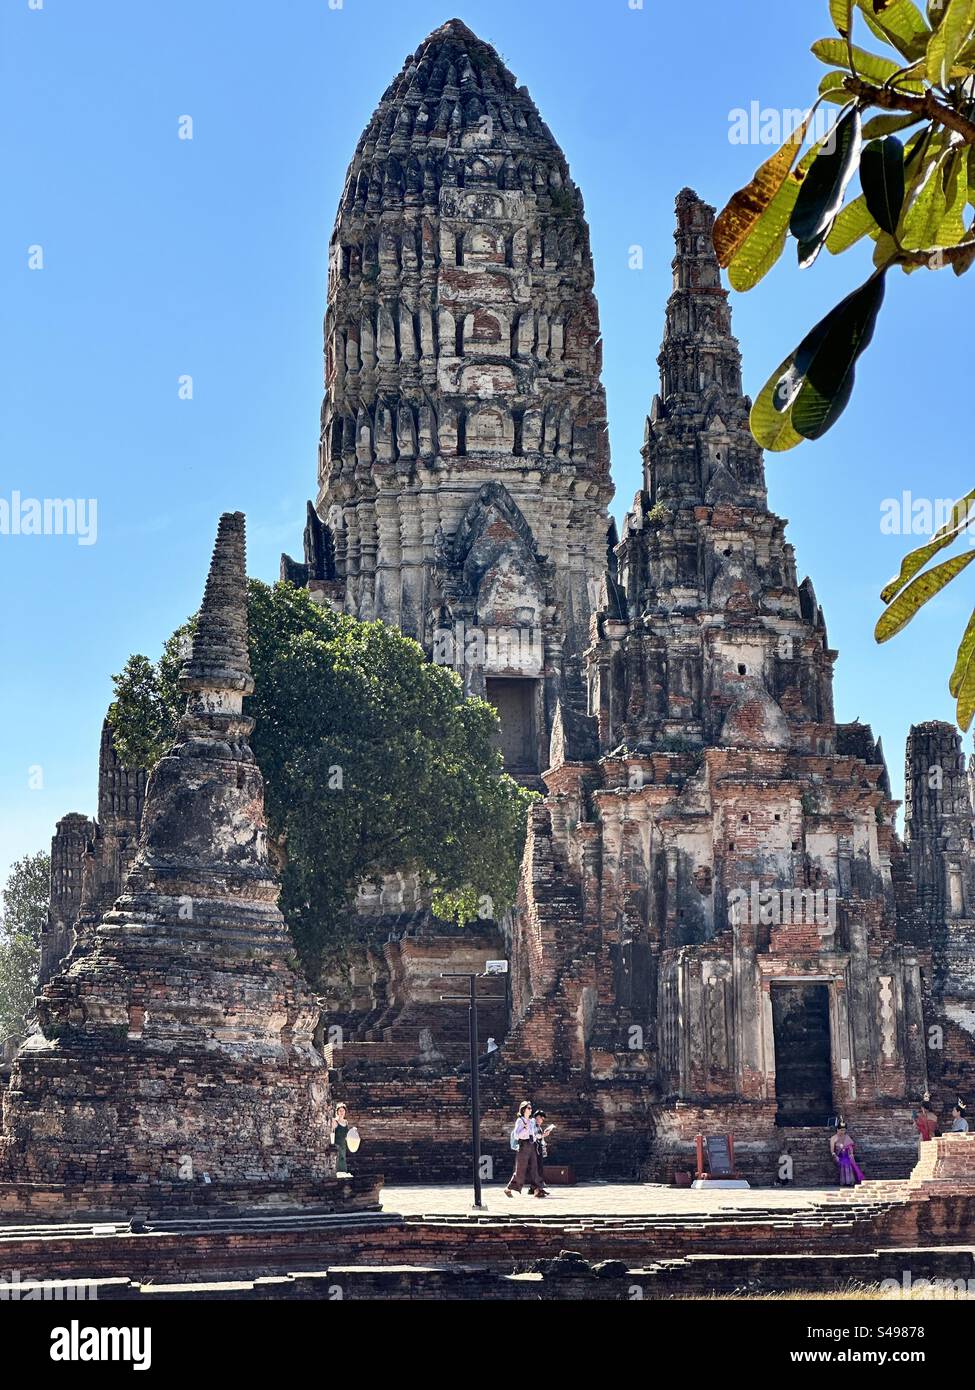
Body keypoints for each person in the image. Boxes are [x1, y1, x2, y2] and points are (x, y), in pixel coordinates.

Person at [504, 1101, 547, 1198]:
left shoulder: (531, 1121)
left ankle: (537, 1189)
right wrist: (525, 1128)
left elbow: (533, 1134)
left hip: (531, 1144)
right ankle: (508, 1188)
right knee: (520, 1169)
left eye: (531, 1108)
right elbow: (516, 1135)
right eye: (528, 1108)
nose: (530, 1110)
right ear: (523, 1109)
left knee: (534, 1167)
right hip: (523, 1145)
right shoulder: (520, 1121)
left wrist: (541, 1136)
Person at [830, 1121, 864, 1186]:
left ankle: (850, 1182)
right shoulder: (833, 1138)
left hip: (847, 1155)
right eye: (841, 1130)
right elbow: (832, 1151)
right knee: (844, 1162)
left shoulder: (847, 1137)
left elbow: (851, 1148)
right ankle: (843, 1182)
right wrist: (835, 1156)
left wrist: (850, 1153)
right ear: (837, 1129)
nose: (843, 1132)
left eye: (844, 1130)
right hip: (838, 1156)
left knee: (848, 1161)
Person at [331, 1102, 353, 1176]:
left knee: (343, 1160)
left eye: (343, 1111)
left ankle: (343, 1177)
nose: (341, 1112)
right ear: (337, 1112)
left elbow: (347, 1135)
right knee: (338, 1160)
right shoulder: (335, 1121)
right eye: (340, 1111)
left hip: (344, 1145)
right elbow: (332, 1133)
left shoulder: (346, 1122)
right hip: (337, 1144)